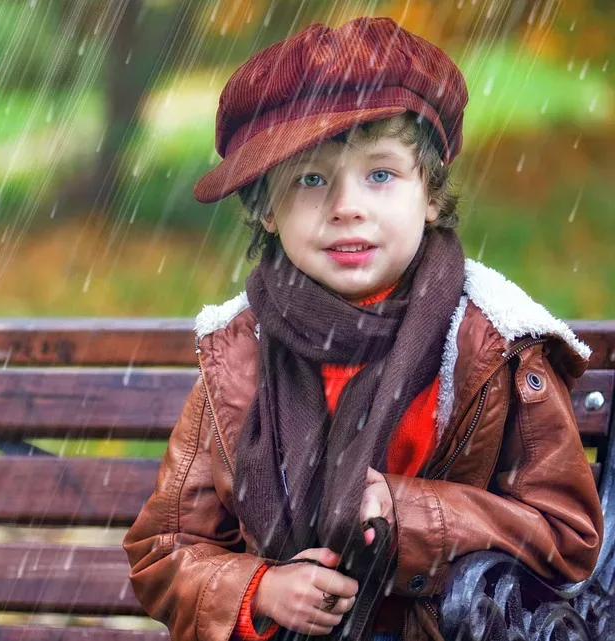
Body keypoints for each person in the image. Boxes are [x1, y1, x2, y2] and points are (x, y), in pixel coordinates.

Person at [122, 16, 603, 641]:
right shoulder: (242, 349)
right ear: (267, 210)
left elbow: (564, 540)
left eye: (380, 174)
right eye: (311, 178)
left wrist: (410, 517)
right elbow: (165, 549)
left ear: (428, 193)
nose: (347, 206)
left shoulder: (490, 344)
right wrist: (258, 588)